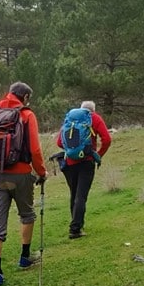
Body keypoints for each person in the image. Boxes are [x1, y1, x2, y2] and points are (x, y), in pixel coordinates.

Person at [0, 82, 48, 286]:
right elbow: (34, 150)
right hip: (21, 174)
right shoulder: (27, 115)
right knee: (27, 214)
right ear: (24, 97)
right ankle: (24, 257)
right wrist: (41, 172)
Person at [56, 100, 112, 238]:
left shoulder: (70, 118)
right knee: (81, 196)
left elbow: (59, 142)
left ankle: (76, 224)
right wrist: (97, 155)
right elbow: (107, 139)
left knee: (74, 194)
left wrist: (71, 150)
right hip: (86, 162)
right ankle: (75, 229)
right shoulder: (94, 118)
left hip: (69, 163)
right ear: (92, 110)